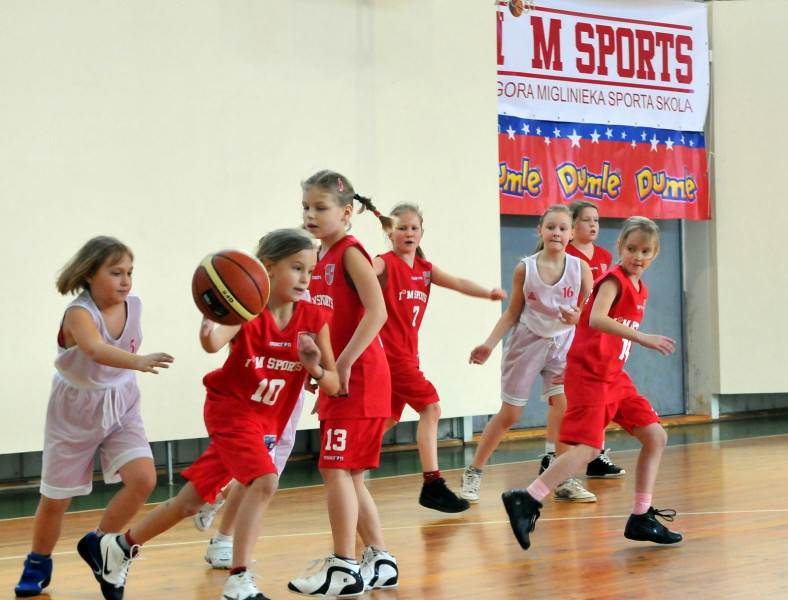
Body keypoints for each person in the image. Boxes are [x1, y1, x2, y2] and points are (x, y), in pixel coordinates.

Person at [79, 228, 340, 600]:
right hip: (231, 412)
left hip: (267, 422)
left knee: (189, 502)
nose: (305, 279)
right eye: (296, 268)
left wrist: (313, 367)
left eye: (310, 272)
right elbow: (212, 342)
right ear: (266, 267)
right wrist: (208, 319)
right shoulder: (246, 310)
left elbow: (334, 385)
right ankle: (239, 579)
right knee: (264, 481)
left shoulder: (315, 318)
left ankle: (118, 547)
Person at [501, 216, 682, 551]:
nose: (637, 256)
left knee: (656, 436)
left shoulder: (642, 288)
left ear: (655, 254)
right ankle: (527, 499)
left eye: (645, 251)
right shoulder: (613, 280)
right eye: (631, 248)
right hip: (590, 375)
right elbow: (597, 318)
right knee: (589, 450)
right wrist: (643, 337)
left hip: (615, 377)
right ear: (620, 248)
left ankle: (641, 516)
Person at [13, 236, 173, 599]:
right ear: (89, 275)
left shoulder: (135, 305)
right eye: (116, 272)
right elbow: (94, 349)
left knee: (144, 479)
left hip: (122, 402)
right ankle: (38, 561)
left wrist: (132, 369)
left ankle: (99, 544)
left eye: (130, 272)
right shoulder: (79, 313)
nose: (125, 280)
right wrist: (138, 361)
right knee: (55, 501)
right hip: (74, 409)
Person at [288, 170, 398, 597]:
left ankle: (343, 567)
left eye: (320, 207)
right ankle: (380, 559)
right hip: (342, 378)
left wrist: (345, 364)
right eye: (306, 207)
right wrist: (322, 370)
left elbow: (378, 313)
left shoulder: (351, 252)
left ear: (347, 212)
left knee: (336, 469)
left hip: (362, 377)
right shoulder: (320, 257)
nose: (311, 214)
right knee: (350, 475)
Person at [366, 202, 507, 513]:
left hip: (407, 356)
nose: (408, 232)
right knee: (431, 408)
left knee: (387, 418)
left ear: (421, 233)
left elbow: (458, 283)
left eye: (413, 227)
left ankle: (351, 458)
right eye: (401, 227)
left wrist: (488, 293)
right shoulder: (383, 263)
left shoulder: (425, 271)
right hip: (389, 356)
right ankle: (433, 484)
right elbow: (361, 274)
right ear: (390, 233)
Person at [460, 205, 596, 504]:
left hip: (562, 346)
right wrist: (489, 344)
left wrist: (578, 316)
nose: (556, 233)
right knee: (511, 414)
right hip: (526, 344)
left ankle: (561, 477)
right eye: (551, 227)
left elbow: (592, 309)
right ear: (540, 231)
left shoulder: (580, 268)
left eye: (563, 228)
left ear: (572, 234)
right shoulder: (526, 267)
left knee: (564, 406)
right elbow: (512, 312)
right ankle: (474, 471)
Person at [556, 199, 625, 479]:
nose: (593, 225)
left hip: (598, 335)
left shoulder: (605, 256)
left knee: (601, 396)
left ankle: (596, 453)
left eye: (597, 220)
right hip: (568, 333)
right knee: (564, 398)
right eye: (587, 220)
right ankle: (555, 455)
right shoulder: (565, 254)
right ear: (573, 225)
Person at [193, 395, 304, 569]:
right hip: (268, 397)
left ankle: (216, 499)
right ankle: (222, 541)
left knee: (268, 479)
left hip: (291, 396)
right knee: (259, 477)